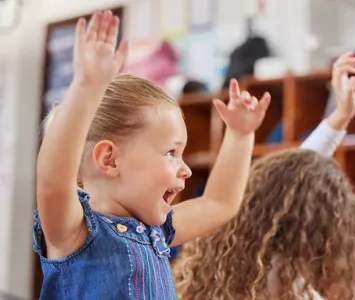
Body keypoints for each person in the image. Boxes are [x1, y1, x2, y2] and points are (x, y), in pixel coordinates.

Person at [33, 10, 269, 299]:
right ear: (109, 159)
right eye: (171, 152)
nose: (186, 170)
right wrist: (86, 87)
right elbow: (53, 181)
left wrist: (241, 135)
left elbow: (220, 203)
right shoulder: (75, 232)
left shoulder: (156, 232)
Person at [174, 52, 355, 300]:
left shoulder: (231, 256)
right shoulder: (284, 281)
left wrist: (341, 117)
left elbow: (295, 178)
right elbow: (297, 180)